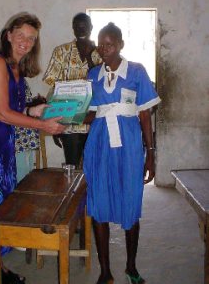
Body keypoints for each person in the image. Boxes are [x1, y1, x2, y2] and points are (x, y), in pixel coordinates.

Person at [0, 12, 65, 284]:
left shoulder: (16, 68)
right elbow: (0, 113)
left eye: (31, 38)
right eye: (20, 35)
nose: (25, 42)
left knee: (1, 208)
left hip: (3, 145)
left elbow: (10, 108)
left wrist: (34, 111)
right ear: (8, 34)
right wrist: (42, 126)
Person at [83, 22, 161, 284]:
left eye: (109, 44)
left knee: (131, 200)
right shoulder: (93, 74)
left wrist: (150, 153)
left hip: (128, 145)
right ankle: (105, 272)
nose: (104, 49)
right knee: (99, 201)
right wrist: (66, 110)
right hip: (100, 142)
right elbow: (90, 112)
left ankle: (131, 267)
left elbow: (145, 115)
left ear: (120, 45)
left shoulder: (136, 72)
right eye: (100, 44)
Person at [43, 12, 102, 168]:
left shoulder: (101, 53)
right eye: (77, 27)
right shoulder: (61, 52)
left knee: (94, 166)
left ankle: (92, 193)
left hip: (95, 118)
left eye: (85, 26)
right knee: (72, 166)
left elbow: (104, 84)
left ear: (91, 28)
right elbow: (53, 86)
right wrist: (55, 121)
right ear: (73, 29)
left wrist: (89, 57)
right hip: (69, 119)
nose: (81, 30)